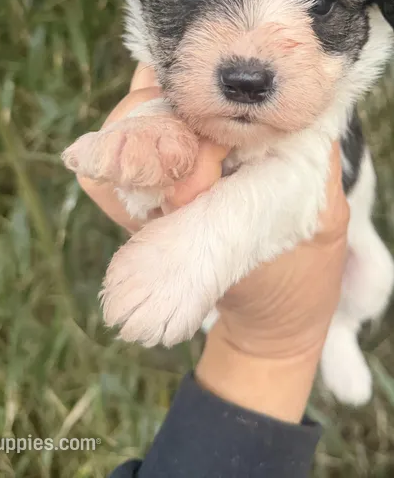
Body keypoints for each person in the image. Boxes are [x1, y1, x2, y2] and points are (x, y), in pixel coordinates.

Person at [79, 67, 351, 477]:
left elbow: (295, 182)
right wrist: (272, 346)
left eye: (319, 4)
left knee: (371, 283)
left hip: (344, 259)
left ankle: (343, 327)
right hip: (266, 342)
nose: (248, 68)